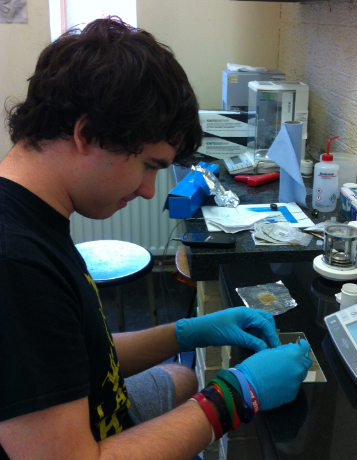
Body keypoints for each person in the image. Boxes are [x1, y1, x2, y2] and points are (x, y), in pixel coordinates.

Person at [0, 17, 312, 460]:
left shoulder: (32, 213)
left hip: (95, 411)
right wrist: (238, 396)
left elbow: (73, 354)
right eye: (148, 165)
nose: (149, 191)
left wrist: (186, 333)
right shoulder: (15, 263)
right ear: (86, 134)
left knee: (183, 377)